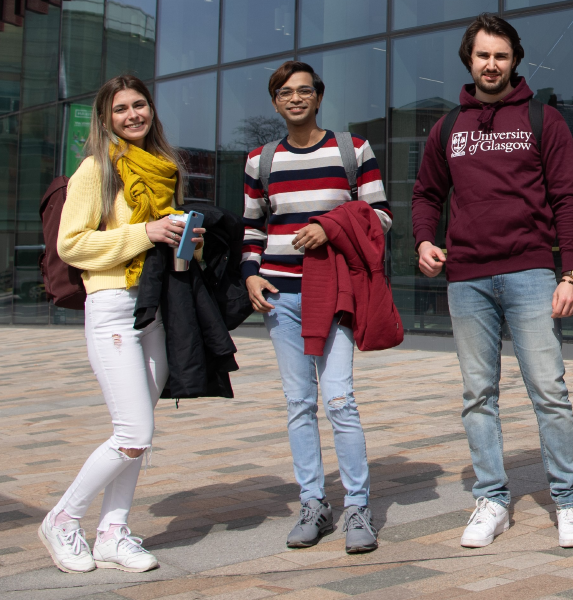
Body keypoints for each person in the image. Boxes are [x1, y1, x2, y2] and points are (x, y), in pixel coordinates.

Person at [411, 13, 573, 549]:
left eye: (501, 56)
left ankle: (569, 500)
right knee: (477, 394)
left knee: (549, 390)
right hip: (467, 279)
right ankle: (491, 499)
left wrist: (572, 273)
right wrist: (424, 240)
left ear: (515, 61)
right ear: (470, 60)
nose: (492, 64)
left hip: (532, 272)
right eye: (483, 55)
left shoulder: (543, 120)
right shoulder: (447, 128)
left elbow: (566, 200)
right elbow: (426, 195)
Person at [41, 74, 203, 574]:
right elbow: (72, 244)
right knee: (132, 432)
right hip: (111, 303)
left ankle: (112, 532)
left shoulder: (164, 168)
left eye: (140, 105)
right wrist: (145, 231)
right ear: (105, 118)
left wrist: (184, 244)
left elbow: (161, 240)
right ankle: (63, 518)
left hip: (152, 305)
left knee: (141, 430)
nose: (132, 115)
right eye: (120, 109)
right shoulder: (96, 168)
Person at [242, 60, 392, 554]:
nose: (296, 98)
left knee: (339, 400)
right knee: (299, 404)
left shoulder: (352, 150)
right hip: (281, 296)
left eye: (304, 90)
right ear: (275, 102)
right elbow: (252, 230)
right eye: (285, 92)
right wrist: (250, 275)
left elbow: (381, 217)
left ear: (319, 97)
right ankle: (313, 503)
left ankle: (357, 507)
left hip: (337, 294)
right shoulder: (259, 161)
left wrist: (330, 226)